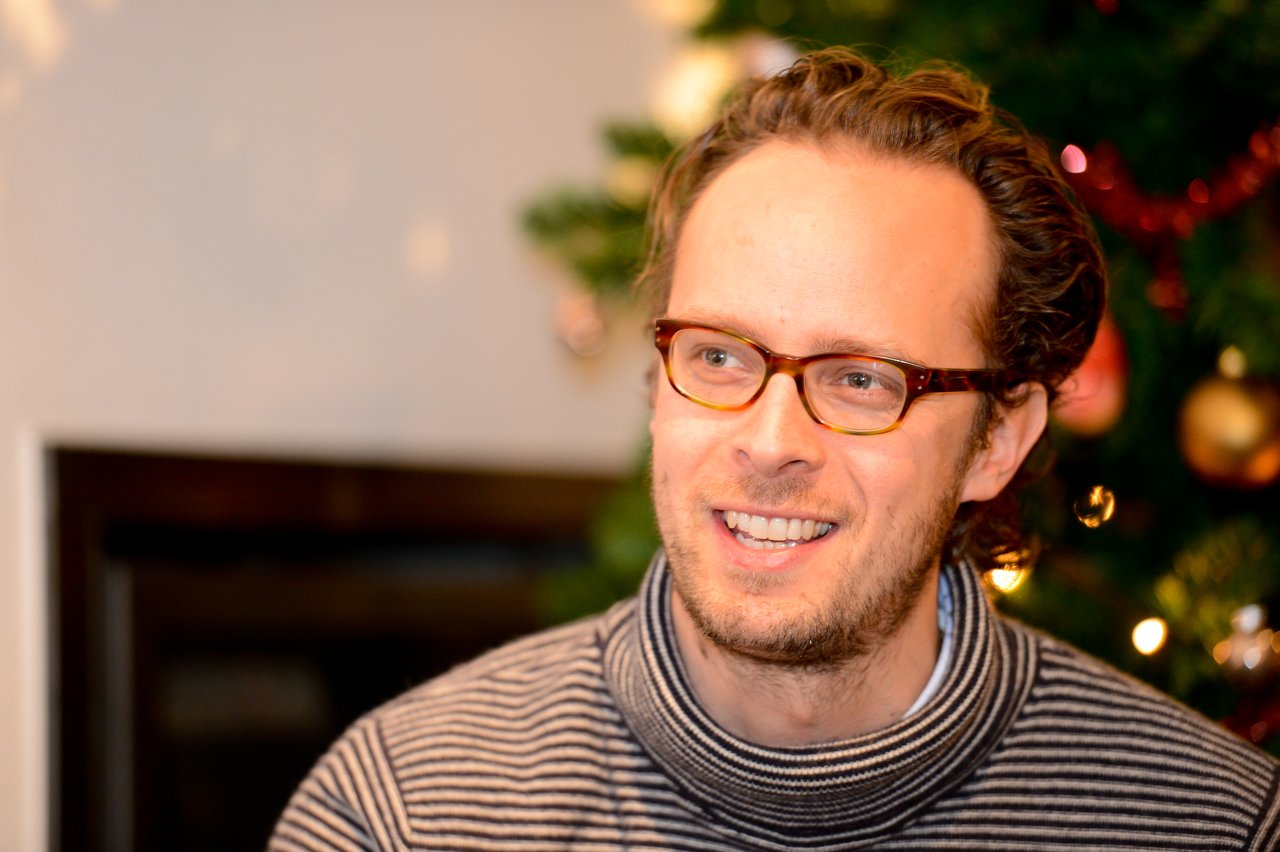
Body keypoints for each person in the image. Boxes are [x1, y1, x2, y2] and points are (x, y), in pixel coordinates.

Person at [270, 48, 1280, 851]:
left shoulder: (1215, 824)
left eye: (859, 380)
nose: (767, 441)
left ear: (997, 439)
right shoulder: (404, 810)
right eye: (716, 356)